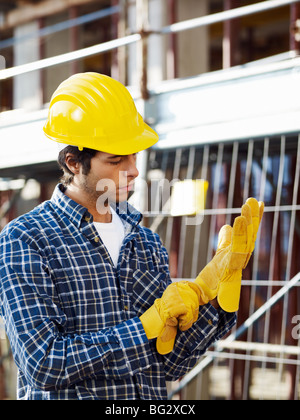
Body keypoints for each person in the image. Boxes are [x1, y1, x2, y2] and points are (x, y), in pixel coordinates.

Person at [0, 73, 263, 400]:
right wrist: (143, 328)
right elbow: (43, 363)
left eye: (134, 154)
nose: (134, 169)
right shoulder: (26, 239)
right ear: (73, 162)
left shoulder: (146, 242)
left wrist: (216, 300)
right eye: (116, 159)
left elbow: (169, 365)